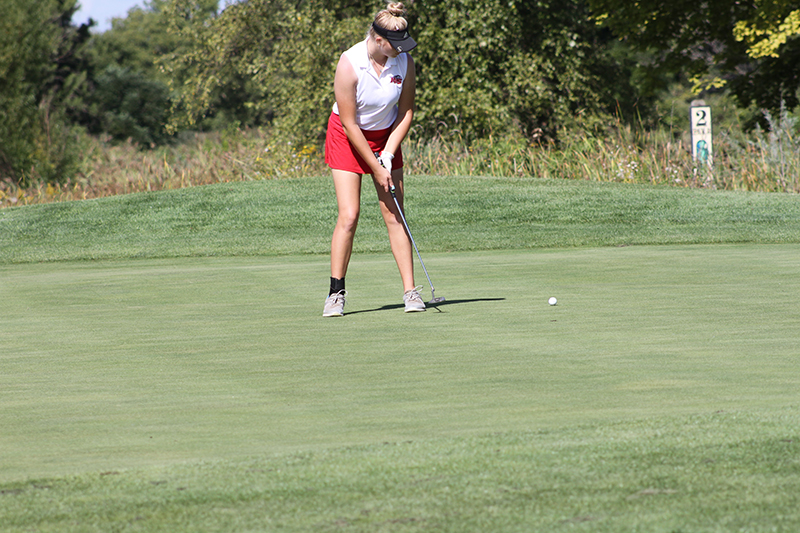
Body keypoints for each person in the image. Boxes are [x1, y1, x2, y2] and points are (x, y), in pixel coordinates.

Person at [322, 2, 424, 317]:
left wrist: (389, 156)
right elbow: (350, 124)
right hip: (347, 136)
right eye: (396, 45)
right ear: (378, 40)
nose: (401, 50)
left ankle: (411, 292)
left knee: (395, 214)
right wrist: (375, 167)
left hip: (386, 137)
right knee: (349, 215)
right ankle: (335, 293)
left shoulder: (404, 61)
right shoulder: (349, 63)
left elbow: (405, 112)